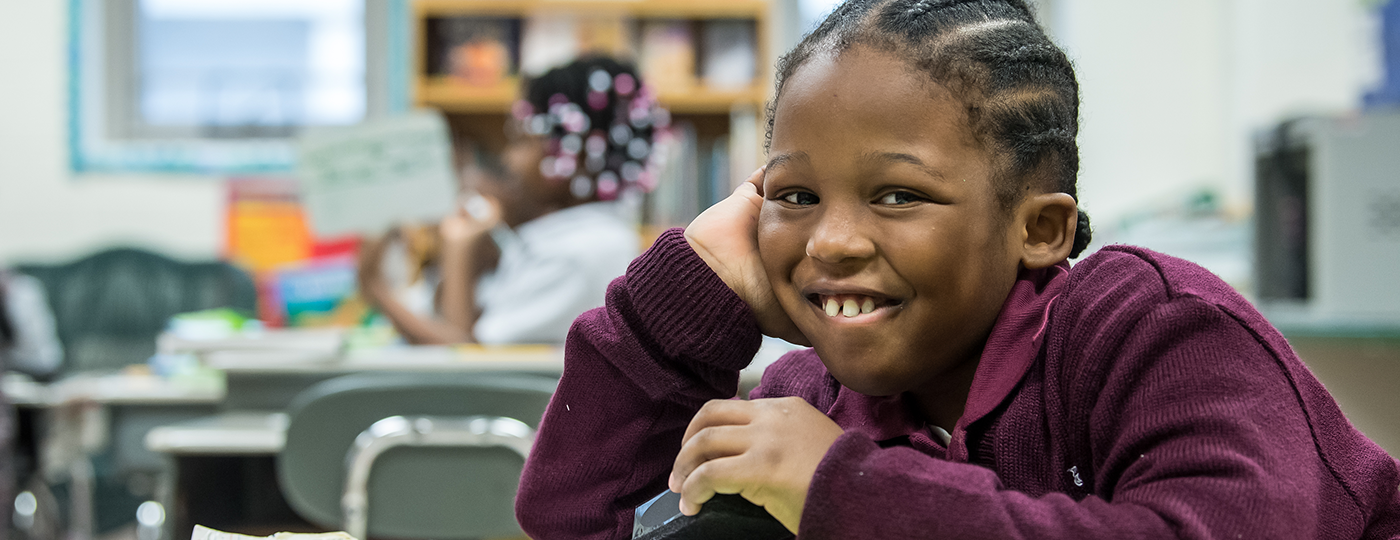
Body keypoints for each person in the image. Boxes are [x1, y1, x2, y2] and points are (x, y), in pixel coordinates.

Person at [515, 1, 1400, 538]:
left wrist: (842, 489)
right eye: (794, 196)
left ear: (1040, 230)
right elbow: (581, 524)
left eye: (898, 196)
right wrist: (683, 305)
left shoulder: (1150, 327)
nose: (831, 242)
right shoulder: (810, 400)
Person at [358, 56, 667, 345]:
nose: (508, 159)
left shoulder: (578, 254)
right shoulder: (565, 238)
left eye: (522, 141)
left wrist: (375, 285)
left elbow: (463, 358)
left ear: (578, 156)